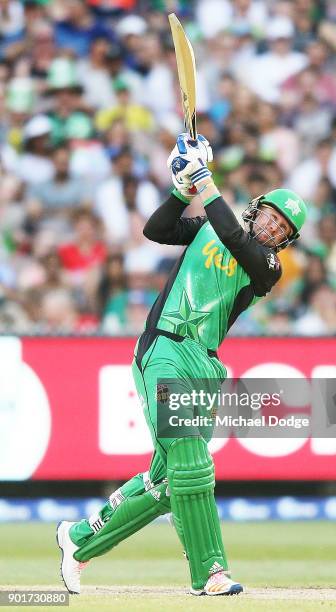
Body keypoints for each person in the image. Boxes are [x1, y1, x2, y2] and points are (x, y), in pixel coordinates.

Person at [56, 133, 307, 596]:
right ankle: (210, 573)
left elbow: (235, 237)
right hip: (166, 348)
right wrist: (183, 190)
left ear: (285, 242)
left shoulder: (267, 268)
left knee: (169, 481)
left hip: (205, 365)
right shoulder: (207, 226)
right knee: (192, 465)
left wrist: (204, 180)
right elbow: (156, 231)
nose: (272, 229)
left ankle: (79, 540)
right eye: (271, 218)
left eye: (282, 229)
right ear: (258, 208)